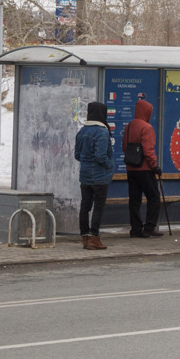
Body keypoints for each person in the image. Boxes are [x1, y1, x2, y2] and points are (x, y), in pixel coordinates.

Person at [74, 101, 114, 250]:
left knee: (85, 205)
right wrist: (110, 165)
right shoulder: (102, 132)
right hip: (100, 176)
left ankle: (85, 237)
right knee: (98, 206)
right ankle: (94, 237)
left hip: (85, 176)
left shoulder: (82, 131)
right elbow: (101, 156)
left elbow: (77, 155)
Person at [123, 98, 163, 238]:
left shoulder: (128, 126)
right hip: (145, 169)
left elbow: (124, 147)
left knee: (134, 200)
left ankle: (135, 229)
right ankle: (149, 227)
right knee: (154, 197)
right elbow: (148, 150)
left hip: (131, 168)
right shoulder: (146, 127)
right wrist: (154, 166)